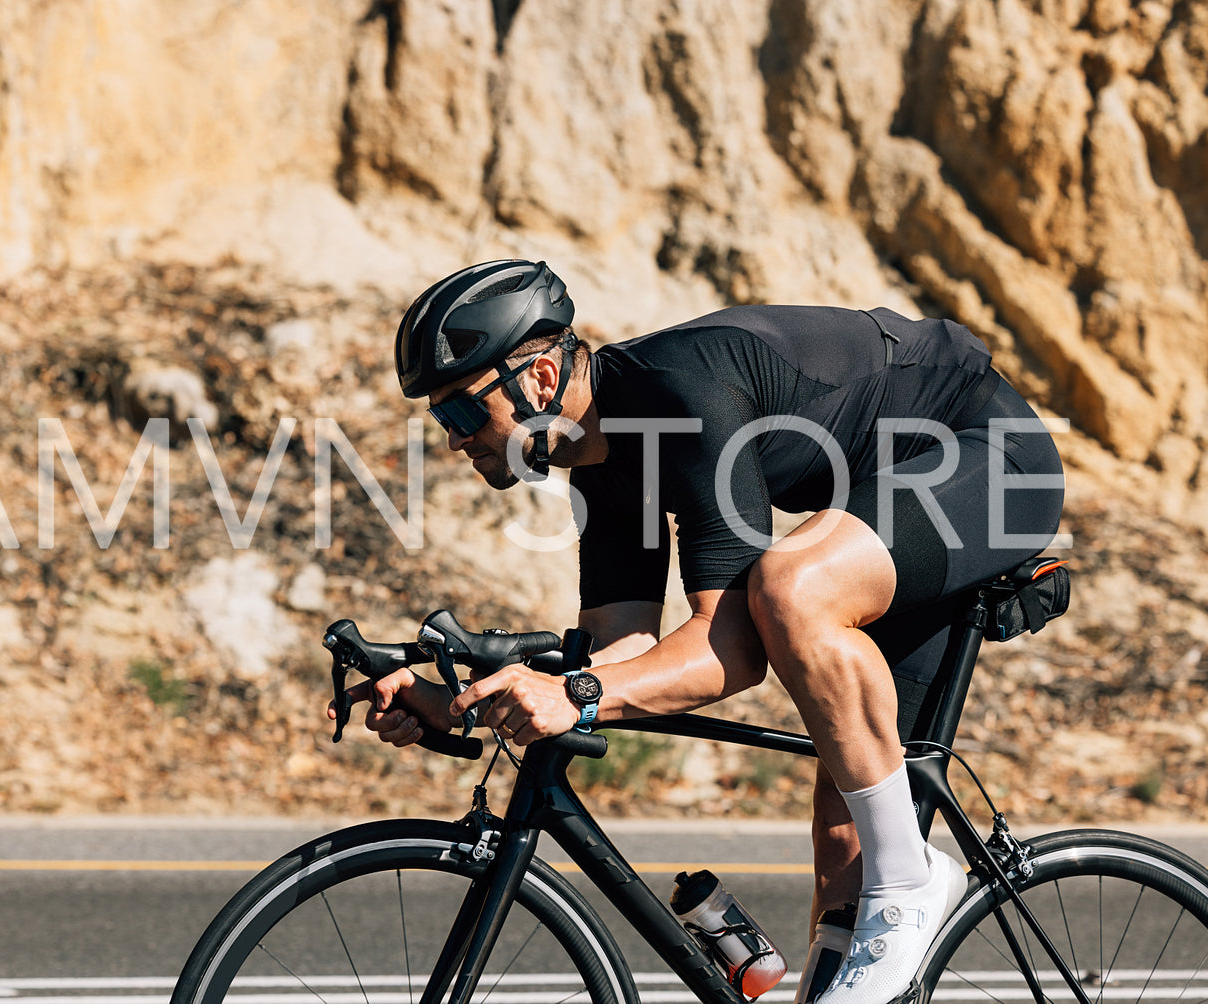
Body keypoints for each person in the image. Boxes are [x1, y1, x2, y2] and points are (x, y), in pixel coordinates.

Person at [328, 259, 1064, 1004]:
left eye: (459, 413)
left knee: (786, 587)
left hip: (987, 460)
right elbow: (624, 657)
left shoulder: (675, 397)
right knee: (844, 850)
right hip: (885, 504)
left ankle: (911, 878)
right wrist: (458, 697)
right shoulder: (605, 471)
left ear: (540, 384)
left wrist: (570, 693)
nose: (455, 441)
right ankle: (888, 890)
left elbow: (730, 650)